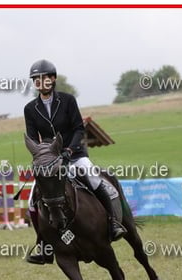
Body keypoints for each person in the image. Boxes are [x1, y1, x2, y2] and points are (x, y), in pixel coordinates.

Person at [24, 59, 127, 264]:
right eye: (36, 79)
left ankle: (113, 223)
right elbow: (33, 138)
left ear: (53, 79)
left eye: (43, 78)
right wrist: (42, 156)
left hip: (75, 155)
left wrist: (69, 150)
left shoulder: (68, 100)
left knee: (94, 180)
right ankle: (44, 245)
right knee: (31, 201)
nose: (40, 82)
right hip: (50, 163)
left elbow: (79, 128)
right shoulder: (30, 109)